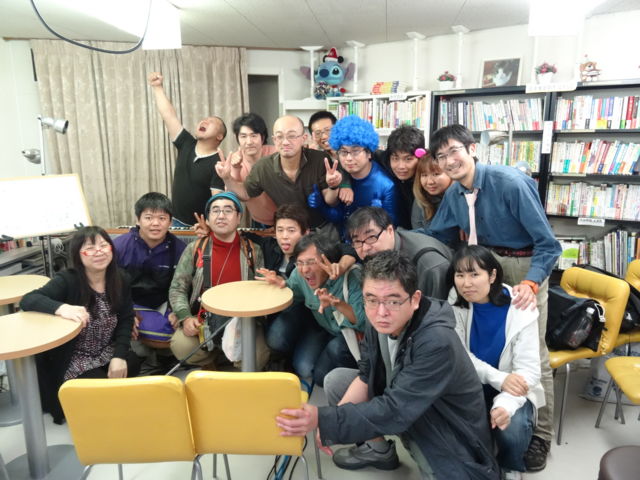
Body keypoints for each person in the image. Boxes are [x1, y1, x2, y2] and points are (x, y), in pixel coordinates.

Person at [275, 250, 498, 480]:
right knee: (337, 381)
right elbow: (366, 374)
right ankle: (378, 451)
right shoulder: (378, 321)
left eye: (393, 301)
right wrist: (330, 420)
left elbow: (396, 410)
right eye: (371, 299)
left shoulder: (437, 341)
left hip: (446, 427)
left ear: (415, 299)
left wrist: (325, 419)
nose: (381, 312)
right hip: (408, 403)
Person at [426, 124, 562, 471]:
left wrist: (531, 283)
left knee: (535, 352)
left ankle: (541, 435)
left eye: (454, 151)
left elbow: (549, 245)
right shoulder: (455, 194)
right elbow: (435, 234)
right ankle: (496, 401)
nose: (448, 161)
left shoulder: (511, 183)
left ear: (472, 149)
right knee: (477, 334)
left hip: (523, 266)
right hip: (484, 267)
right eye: (440, 156)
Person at [21, 226, 140, 424]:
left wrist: (118, 356)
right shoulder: (68, 280)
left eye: (103, 245)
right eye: (90, 248)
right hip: (75, 356)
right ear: (78, 254)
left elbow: (127, 318)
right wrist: (61, 308)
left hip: (104, 349)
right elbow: (29, 299)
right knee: (98, 387)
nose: (99, 252)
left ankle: (101, 396)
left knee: (131, 363)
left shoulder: (120, 278)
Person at [449, 245, 544, 480]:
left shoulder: (520, 307)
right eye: (460, 275)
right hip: (472, 386)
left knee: (512, 428)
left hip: (512, 391)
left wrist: (505, 405)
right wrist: (499, 379)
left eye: (474, 274)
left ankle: (510, 466)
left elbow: (529, 370)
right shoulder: (454, 304)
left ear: (492, 275)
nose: (466, 283)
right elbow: (461, 357)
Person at [168, 191, 268, 369]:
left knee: (258, 357)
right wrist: (185, 317)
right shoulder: (195, 249)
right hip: (205, 319)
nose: (221, 216)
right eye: (215, 211)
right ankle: (211, 363)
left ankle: (236, 368)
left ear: (239, 218)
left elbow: (262, 292)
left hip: (242, 321)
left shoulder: (253, 251)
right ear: (207, 219)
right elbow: (177, 288)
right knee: (181, 345)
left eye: (228, 210)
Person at [257, 233, 365, 387]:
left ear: (327, 259)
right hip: (323, 329)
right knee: (304, 368)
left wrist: (337, 304)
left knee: (323, 375)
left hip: (348, 336)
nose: (305, 269)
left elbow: (363, 323)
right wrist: (280, 284)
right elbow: (293, 290)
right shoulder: (299, 275)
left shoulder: (352, 276)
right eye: (300, 262)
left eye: (311, 262)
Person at [217, 115, 339, 230]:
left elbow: (331, 200)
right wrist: (227, 177)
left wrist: (333, 186)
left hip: (320, 228)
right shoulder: (263, 166)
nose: (285, 142)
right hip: (287, 231)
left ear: (303, 138)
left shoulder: (319, 159)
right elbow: (245, 193)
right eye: (280, 137)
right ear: (274, 140)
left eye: (292, 136)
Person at [112, 192, 186, 374]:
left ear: (170, 222)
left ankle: (160, 360)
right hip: (131, 303)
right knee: (129, 325)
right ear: (137, 220)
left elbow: (184, 285)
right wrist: (126, 313)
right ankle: (145, 359)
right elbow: (112, 285)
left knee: (176, 328)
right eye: (148, 217)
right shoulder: (120, 246)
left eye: (162, 218)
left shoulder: (180, 249)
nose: (155, 223)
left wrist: (177, 310)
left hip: (164, 303)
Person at [148, 72, 227, 227]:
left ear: (220, 136)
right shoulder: (186, 143)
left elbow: (217, 201)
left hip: (200, 227)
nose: (204, 121)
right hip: (174, 221)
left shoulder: (219, 163)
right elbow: (169, 115)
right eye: (203, 120)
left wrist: (211, 226)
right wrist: (157, 87)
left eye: (211, 122)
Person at [308, 115, 400, 234]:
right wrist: (321, 205)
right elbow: (339, 218)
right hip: (345, 240)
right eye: (343, 152)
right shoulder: (340, 177)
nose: (349, 158)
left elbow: (391, 228)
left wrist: (379, 218)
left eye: (355, 151)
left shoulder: (386, 185)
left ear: (369, 153)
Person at [346, 207, 452, 300]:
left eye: (371, 237)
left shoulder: (428, 265)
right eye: (357, 241)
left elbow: (437, 312)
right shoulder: (375, 257)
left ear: (390, 231)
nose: (365, 248)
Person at [227, 113, 278, 226]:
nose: (249, 142)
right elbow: (232, 196)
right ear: (237, 138)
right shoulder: (234, 159)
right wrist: (235, 169)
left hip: (286, 219)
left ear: (262, 137)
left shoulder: (276, 153)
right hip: (259, 221)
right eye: (243, 136)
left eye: (254, 135)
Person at [374, 125, 425, 228]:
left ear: (420, 157)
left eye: (408, 159)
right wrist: (345, 183)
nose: (401, 166)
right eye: (395, 158)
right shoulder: (384, 158)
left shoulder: (428, 172)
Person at [411, 150, 452, 229]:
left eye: (436, 174)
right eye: (424, 175)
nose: (430, 182)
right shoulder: (420, 199)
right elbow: (417, 231)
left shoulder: (462, 198)